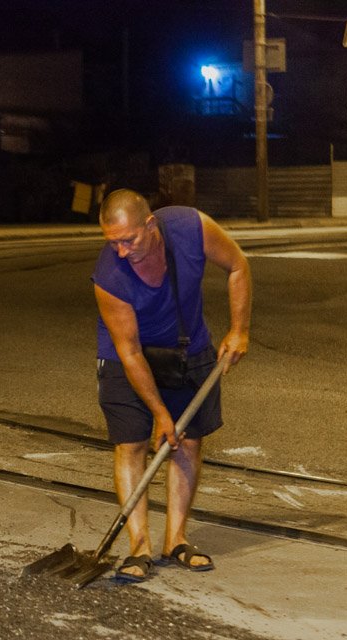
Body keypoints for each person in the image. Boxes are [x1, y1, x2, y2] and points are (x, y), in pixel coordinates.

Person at [93, 188, 251, 583]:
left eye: (128, 240)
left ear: (150, 225)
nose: (122, 252)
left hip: (187, 347)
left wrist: (239, 330)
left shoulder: (192, 228)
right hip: (127, 357)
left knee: (188, 442)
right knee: (131, 444)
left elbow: (237, 265)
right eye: (113, 243)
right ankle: (139, 546)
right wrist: (160, 414)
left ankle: (176, 540)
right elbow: (131, 353)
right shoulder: (110, 277)